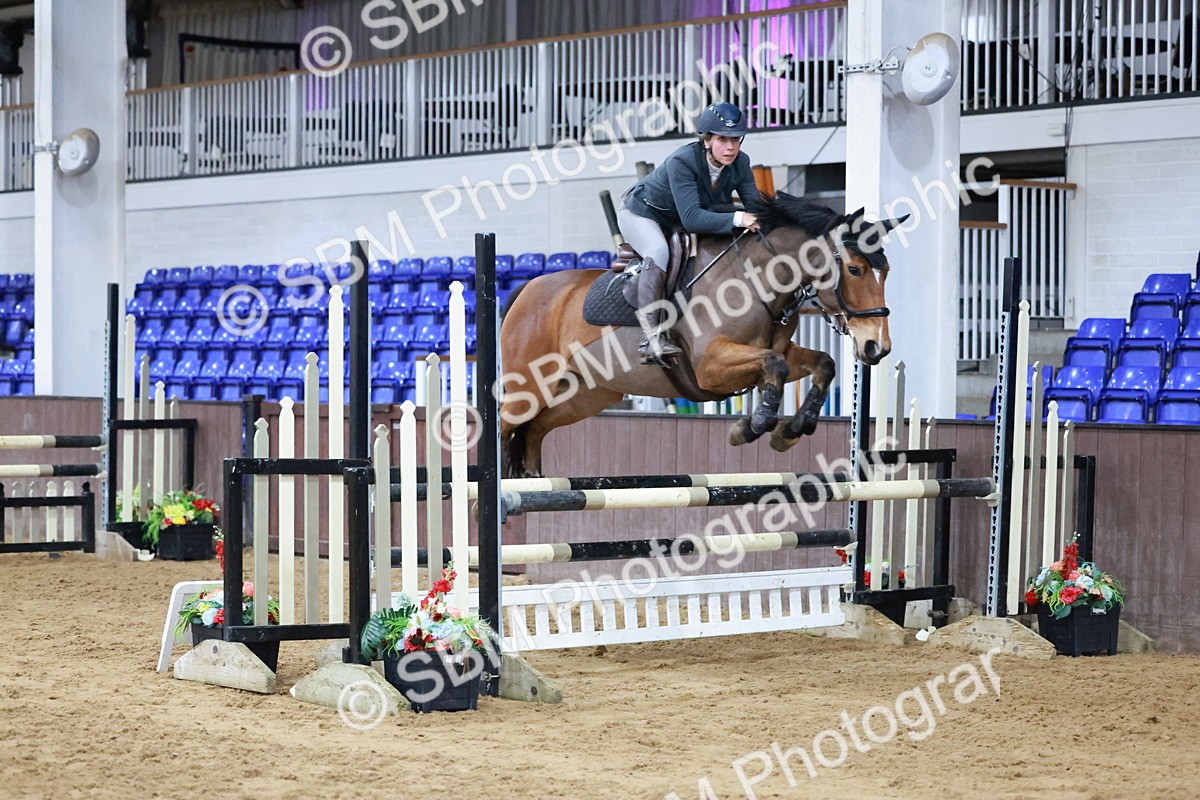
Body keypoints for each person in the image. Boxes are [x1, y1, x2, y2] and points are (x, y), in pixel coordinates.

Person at [618, 102, 764, 366]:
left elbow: (755, 206)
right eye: (722, 139)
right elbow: (693, 219)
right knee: (659, 250)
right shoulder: (682, 161)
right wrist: (739, 218)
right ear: (707, 140)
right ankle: (651, 338)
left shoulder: (741, 163)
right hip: (643, 214)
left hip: (677, 219)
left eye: (735, 139)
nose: (730, 147)